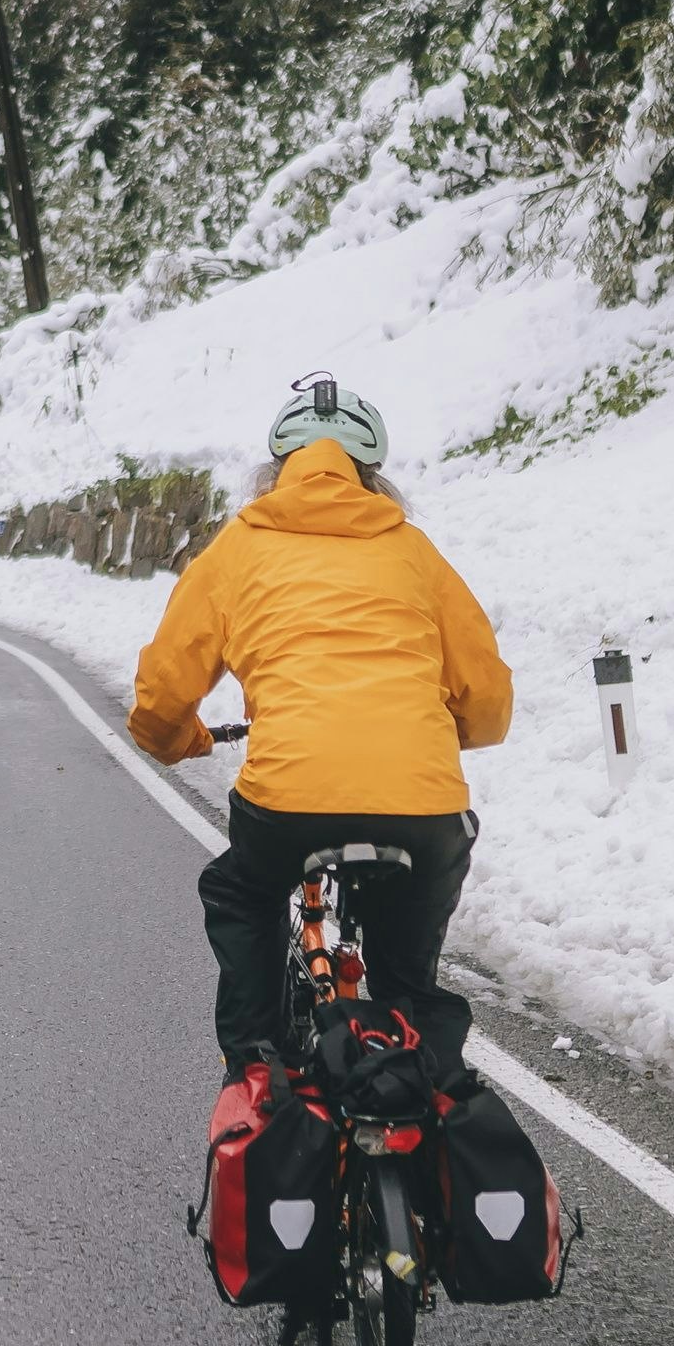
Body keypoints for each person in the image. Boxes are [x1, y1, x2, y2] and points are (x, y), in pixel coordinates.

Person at [128, 375, 513, 1080]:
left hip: (289, 801)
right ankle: (417, 1060)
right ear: (373, 477)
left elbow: (159, 699)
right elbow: (488, 700)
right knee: (406, 982)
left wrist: (181, 739)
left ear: (274, 471)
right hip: (425, 808)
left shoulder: (241, 544)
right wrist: (429, 733)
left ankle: (257, 1063)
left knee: (242, 891)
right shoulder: (413, 551)